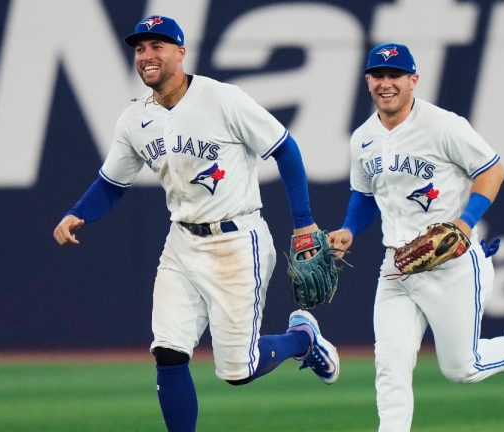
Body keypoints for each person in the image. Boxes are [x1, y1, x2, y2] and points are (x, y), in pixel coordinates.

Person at [52, 15, 339, 432]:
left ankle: (304, 339)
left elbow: (285, 149)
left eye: (158, 46)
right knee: (168, 352)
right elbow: (112, 183)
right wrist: (78, 212)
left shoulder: (223, 100)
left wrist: (303, 223)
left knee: (238, 371)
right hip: (182, 242)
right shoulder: (135, 120)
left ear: (180, 53)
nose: (147, 55)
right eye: (140, 48)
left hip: (237, 241)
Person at [328, 42, 504, 432]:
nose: (386, 83)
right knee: (390, 364)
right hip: (396, 265)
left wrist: (465, 223)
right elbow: (364, 195)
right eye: (378, 75)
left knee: (462, 368)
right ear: (367, 80)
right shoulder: (363, 137)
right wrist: (349, 228)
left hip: (452, 263)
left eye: (395, 75)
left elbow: (491, 170)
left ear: (414, 80)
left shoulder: (444, 126)